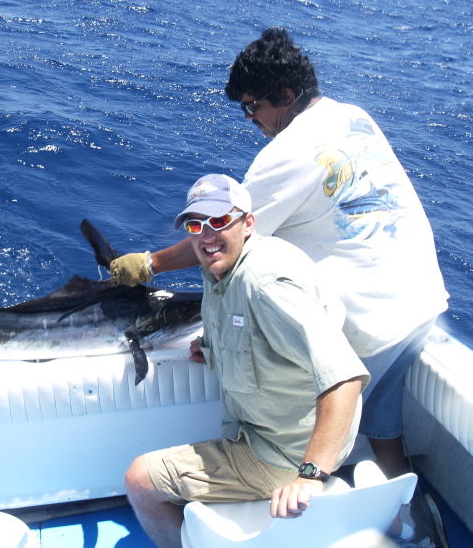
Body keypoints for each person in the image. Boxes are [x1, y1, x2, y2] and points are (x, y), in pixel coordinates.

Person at [110, 28, 449, 546]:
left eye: (253, 106)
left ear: (286, 97)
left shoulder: (288, 152)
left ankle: (320, 509)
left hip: (372, 314)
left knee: (330, 413)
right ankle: (407, 511)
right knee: (383, 418)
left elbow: (225, 235)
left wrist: (150, 263)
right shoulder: (351, 115)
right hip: (421, 298)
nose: (252, 121)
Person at [124, 173, 368, 548]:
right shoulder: (222, 264)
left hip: (286, 453)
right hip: (276, 431)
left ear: (248, 223)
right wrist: (214, 348)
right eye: (195, 225)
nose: (206, 236)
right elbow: (254, 329)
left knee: (139, 480)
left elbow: (345, 379)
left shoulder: (266, 286)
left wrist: (309, 475)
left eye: (220, 222)